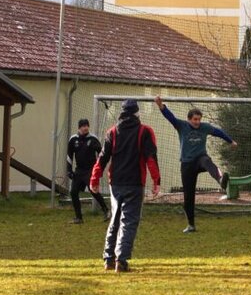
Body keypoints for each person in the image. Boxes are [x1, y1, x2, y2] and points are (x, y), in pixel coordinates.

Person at [89, 99, 161, 273]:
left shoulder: (112, 132)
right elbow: (151, 158)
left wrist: (94, 179)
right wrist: (156, 181)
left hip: (116, 182)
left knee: (115, 219)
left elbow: (102, 158)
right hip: (135, 183)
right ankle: (121, 260)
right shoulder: (145, 131)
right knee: (129, 221)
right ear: (137, 113)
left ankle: (108, 259)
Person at [154, 96, 238, 233]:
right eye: (195, 119)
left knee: (207, 161)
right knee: (188, 195)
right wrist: (161, 106)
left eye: (199, 119)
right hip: (187, 164)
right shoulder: (181, 126)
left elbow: (218, 132)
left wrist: (230, 141)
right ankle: (191, 225)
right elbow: (170, 117)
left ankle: (221, 179)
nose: (197, 122)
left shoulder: (204, 127)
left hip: (200, 159)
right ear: (189, 119)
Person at [66, 118, 106, 224]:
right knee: (73, 192)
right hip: (79, 170)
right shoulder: (73, 140)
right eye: (83, 126)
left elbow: (102, 154)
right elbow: (69, 156)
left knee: (93, 190)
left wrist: (99, 168)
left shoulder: (93, 139)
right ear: (79, 128)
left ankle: (106, 211)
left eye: (87, 126)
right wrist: (69, 170)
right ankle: (79, 218)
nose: (86, 128)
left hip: (90, 170)